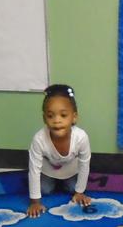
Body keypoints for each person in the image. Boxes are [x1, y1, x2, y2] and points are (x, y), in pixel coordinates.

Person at [27, 84, 92, 217]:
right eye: (51, 116)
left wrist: (79, 192)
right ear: (44, 118)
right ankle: (53, 183)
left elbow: (85, 164)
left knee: (73, 188)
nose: (57, 121)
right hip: (48, 169)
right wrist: (35, 201)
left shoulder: (81, 137)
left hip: (70, 169)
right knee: (45, 190)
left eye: (63, 115)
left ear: (74, 117)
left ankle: (67, 184)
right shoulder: (39, 139)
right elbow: (34, 170)